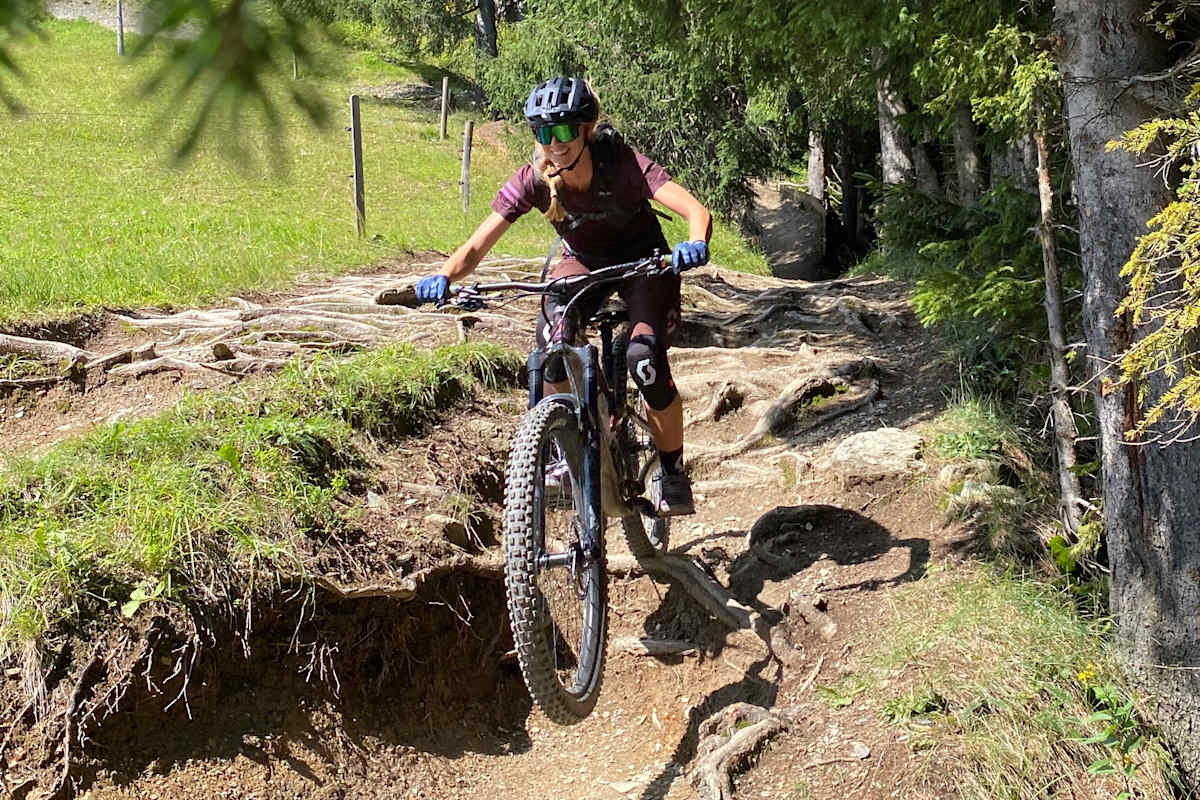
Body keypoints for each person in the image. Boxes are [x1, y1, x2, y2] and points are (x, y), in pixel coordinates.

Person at [413, 76, 711, 516]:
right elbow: (477, 246)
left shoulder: (621, 162)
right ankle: (562, 447)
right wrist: (443, 276)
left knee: (644, 359)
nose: (555, 143)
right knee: (553, 346)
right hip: (583, 262)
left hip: (644, 262)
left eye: (566, 130)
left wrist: (695, 242)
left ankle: (671, 471)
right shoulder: (533, 179)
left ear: (587, 129)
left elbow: (694, 210)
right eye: (544, 133)